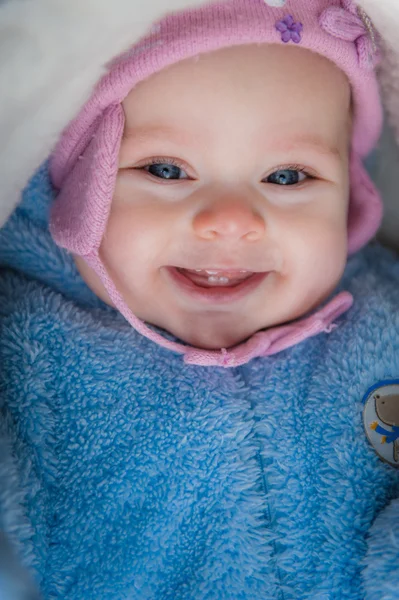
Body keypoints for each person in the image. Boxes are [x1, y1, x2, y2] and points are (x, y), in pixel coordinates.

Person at [0, 0, 399, 597]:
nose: (231, 222)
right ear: (75, 180)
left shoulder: (386, 319)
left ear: (353, 196)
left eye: (287, 176)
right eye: (165, 169)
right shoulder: (26, 340)